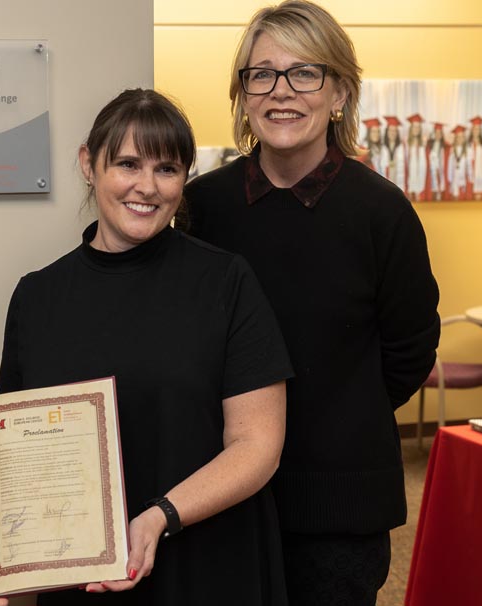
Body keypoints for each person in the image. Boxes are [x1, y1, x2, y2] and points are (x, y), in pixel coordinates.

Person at [0, 88, 293, 606]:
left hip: (207, 566)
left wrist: (160, 517)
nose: (147, 188)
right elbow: (28, 451)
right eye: (127, 164)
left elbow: (257, 446)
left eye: (168, 169)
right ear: (90, 164)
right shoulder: (39, 296)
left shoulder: (225, 282)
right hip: (83, 581)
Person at [182, 2, 440, 605]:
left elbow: (409, 351)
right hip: (221, 497)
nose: (281, 92)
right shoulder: (201, 208)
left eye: (305, 73)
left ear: (340, 93)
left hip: (339, 508)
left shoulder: (382, 212)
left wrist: (338, 416)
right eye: (262, 74)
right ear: (243, 94)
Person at [404, 113, 428, 201]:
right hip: (410, 171)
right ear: (411, 128)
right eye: (414, 127)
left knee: (419, 194)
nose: (416, 129)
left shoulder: (424, 142)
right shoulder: (406, 141)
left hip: (420, 171)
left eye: (418, 127)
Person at [468, 115, 482, 200]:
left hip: (480, 173)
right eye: (474, 128)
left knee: (479, 195)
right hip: (471, 173)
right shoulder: (468, 143)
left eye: (478, 129)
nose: (476, 131)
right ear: (472, 130)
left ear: (480, 130)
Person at [382, 115, 405, 190]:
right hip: (386, 177)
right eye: (391, 130)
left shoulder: (402, 147)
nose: (393, 133)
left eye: (395, 130)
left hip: (398, 177)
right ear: (387, 131)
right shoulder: (382, 146)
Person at [447, 124, 470, 200]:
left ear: (464, 138)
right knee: (455, 197)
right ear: (455, 138)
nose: (460, 139)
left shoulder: (467, 151)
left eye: (461, 137)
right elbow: (450, 166)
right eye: (458, 137)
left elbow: (469, 166)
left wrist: (470, 177)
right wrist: (449, 179)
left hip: (463, 179)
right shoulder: (452, 150)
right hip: (454, 178)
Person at [426, 122, 448, 201]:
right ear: (433, 134)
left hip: (441, 173)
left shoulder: (446, 147)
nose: (438, 135)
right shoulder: (428, 146)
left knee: (440, 191)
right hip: (431, 173)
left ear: (442, 135)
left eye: (440, 133)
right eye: (436, 133)